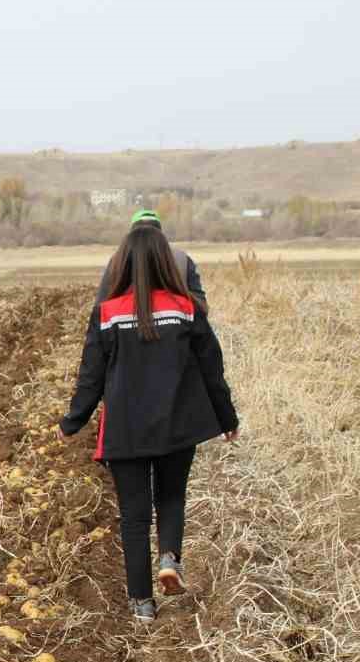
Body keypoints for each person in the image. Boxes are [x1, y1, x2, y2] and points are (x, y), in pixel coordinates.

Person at [60, 222, 239, 622]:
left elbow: (91, 375)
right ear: (166, 262)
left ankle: (142, 604)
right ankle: (169, 558)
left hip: (125, 428)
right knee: (171, 496)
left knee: (134, 516)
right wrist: (227, 417)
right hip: (177, 423)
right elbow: (212, 368)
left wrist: (73, 421)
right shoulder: (186, 308)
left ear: (122, 264)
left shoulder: (107, 313)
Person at [97, 210, 207, 310]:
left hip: (124, 321)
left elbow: (100, 304)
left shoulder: (117, 260)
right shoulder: (182, 259)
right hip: (177, 322)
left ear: (131, 235)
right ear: (161, 235)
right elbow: (201, 304)